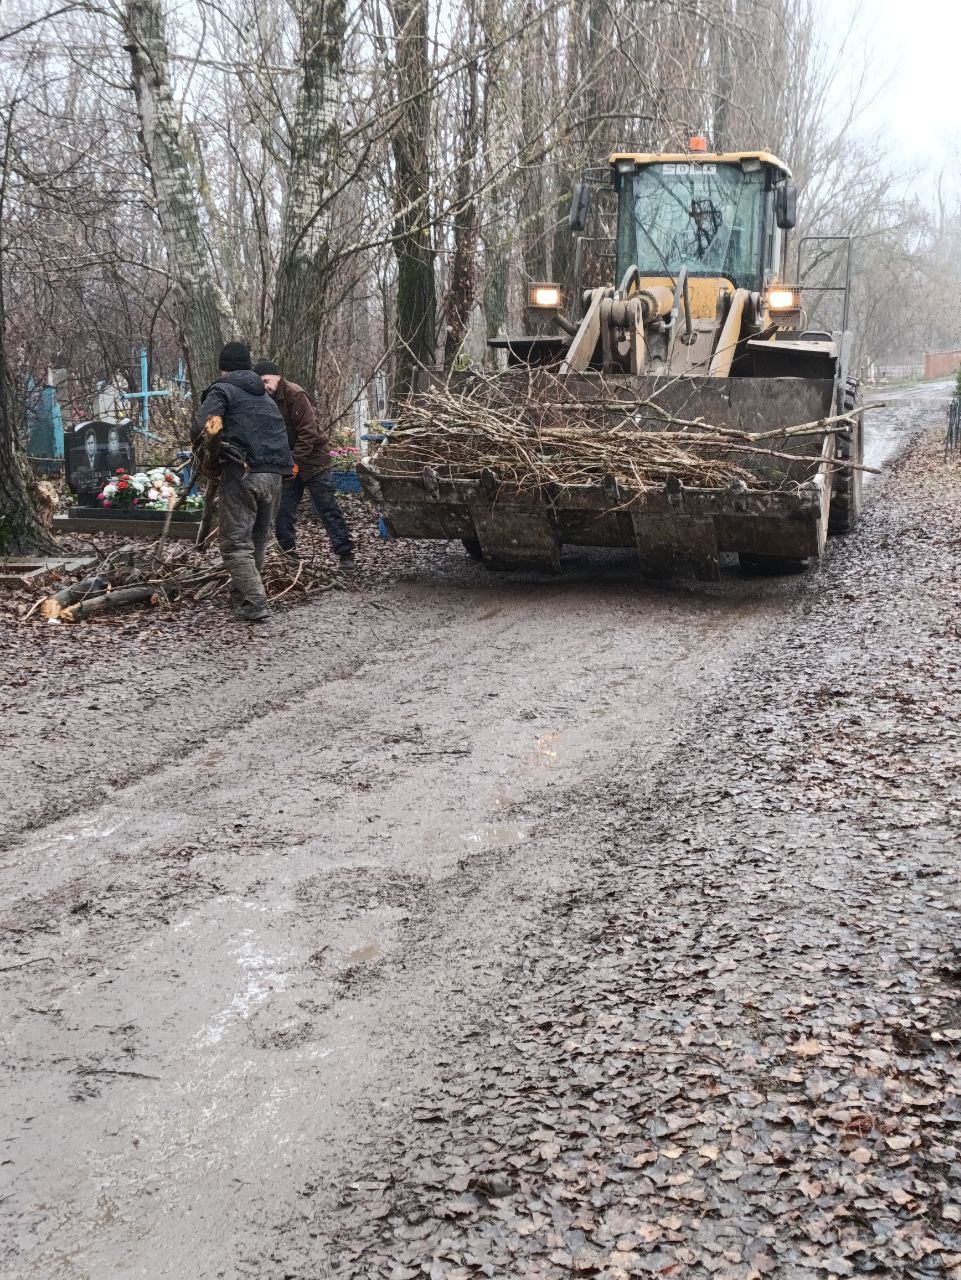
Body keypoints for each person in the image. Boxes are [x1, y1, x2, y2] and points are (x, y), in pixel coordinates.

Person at [193, 342, 293, 623]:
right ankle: (242, 601)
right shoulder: (265, 397)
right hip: (275, 476)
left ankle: (257, 601)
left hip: (244, 471)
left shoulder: (222, 390)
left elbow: (203, 426)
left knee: (235, 545)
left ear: (222, 368)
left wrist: (207, 460)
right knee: (256, 542)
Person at [252, 359, 355, 567]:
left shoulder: (295, 394)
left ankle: (345, 553)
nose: (264, 386)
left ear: (277, 376)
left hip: (314, 460)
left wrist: (295, 461)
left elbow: (308, 433)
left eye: (266, 381)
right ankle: (287, 554)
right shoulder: (263, 398)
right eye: (260, 382)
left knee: (327, 507)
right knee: (283, 510)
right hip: (289, 462)